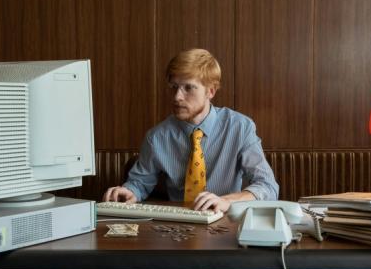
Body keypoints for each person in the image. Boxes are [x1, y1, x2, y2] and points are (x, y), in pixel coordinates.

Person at [103, 48, 279, 212]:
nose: (177, 97)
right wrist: (128, 191)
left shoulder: (240, 127)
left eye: (188, 88)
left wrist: (227, 201)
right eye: (174, 87)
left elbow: (268, 187)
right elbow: (139, 183)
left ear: (210, 91)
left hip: (225, 223)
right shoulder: (156, 137)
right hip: (178, 226)